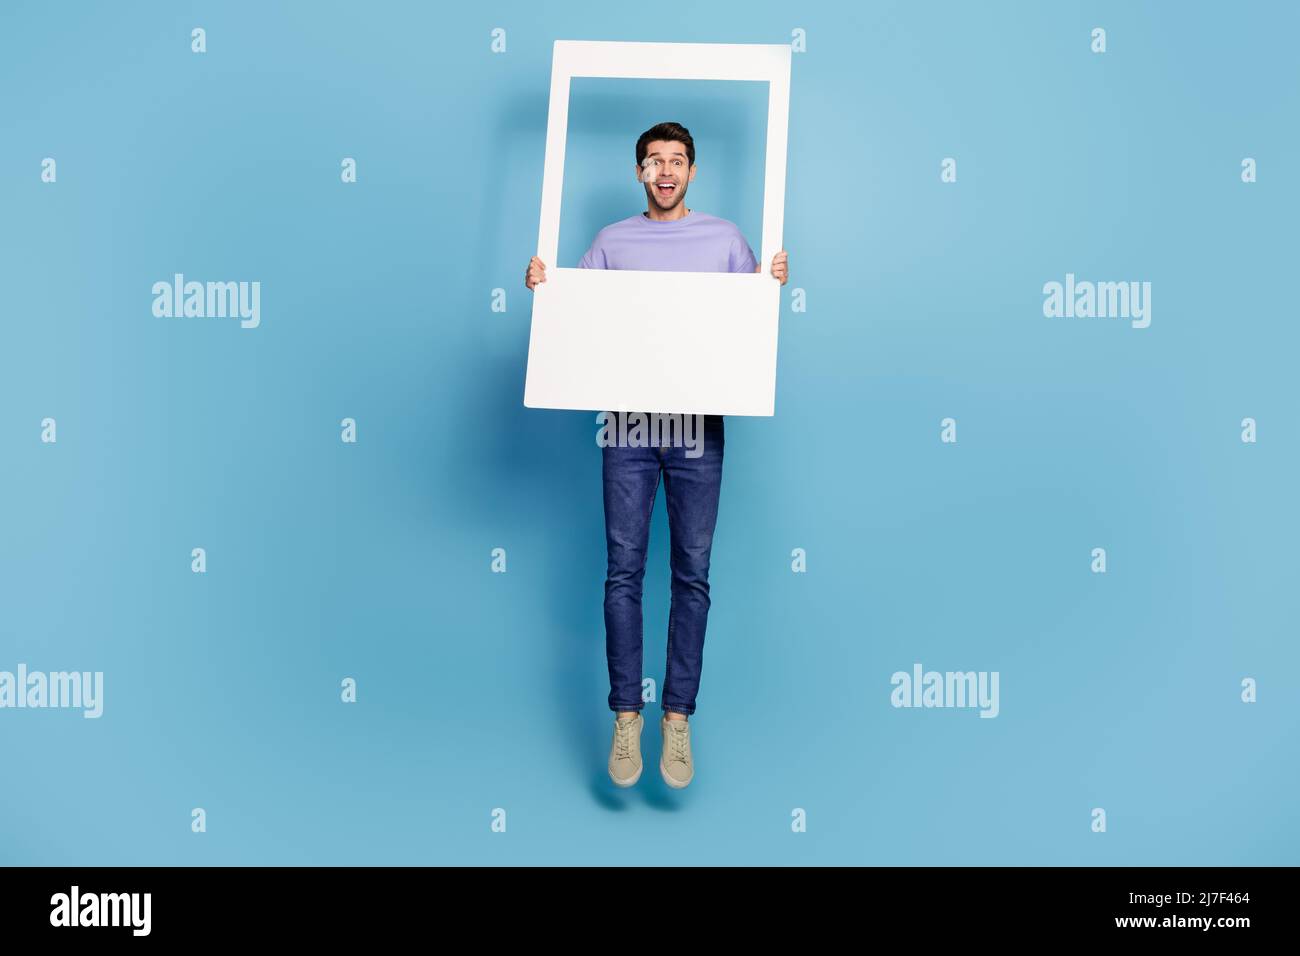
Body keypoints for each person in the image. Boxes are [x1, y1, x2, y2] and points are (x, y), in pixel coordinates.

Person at [524, 122, 789, 789]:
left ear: (692, 172)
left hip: (698, 427)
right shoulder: (613, 242)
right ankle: (625, 716)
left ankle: (677, 718)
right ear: (639, 172)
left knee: (692, 573)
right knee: (623, 572)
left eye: (676, 161)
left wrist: (769, 284)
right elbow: (573, 320)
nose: (665, 170)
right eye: (653, 161)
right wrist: (543, 288)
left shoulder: (725, 240)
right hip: (630, 428)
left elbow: (748, 327)